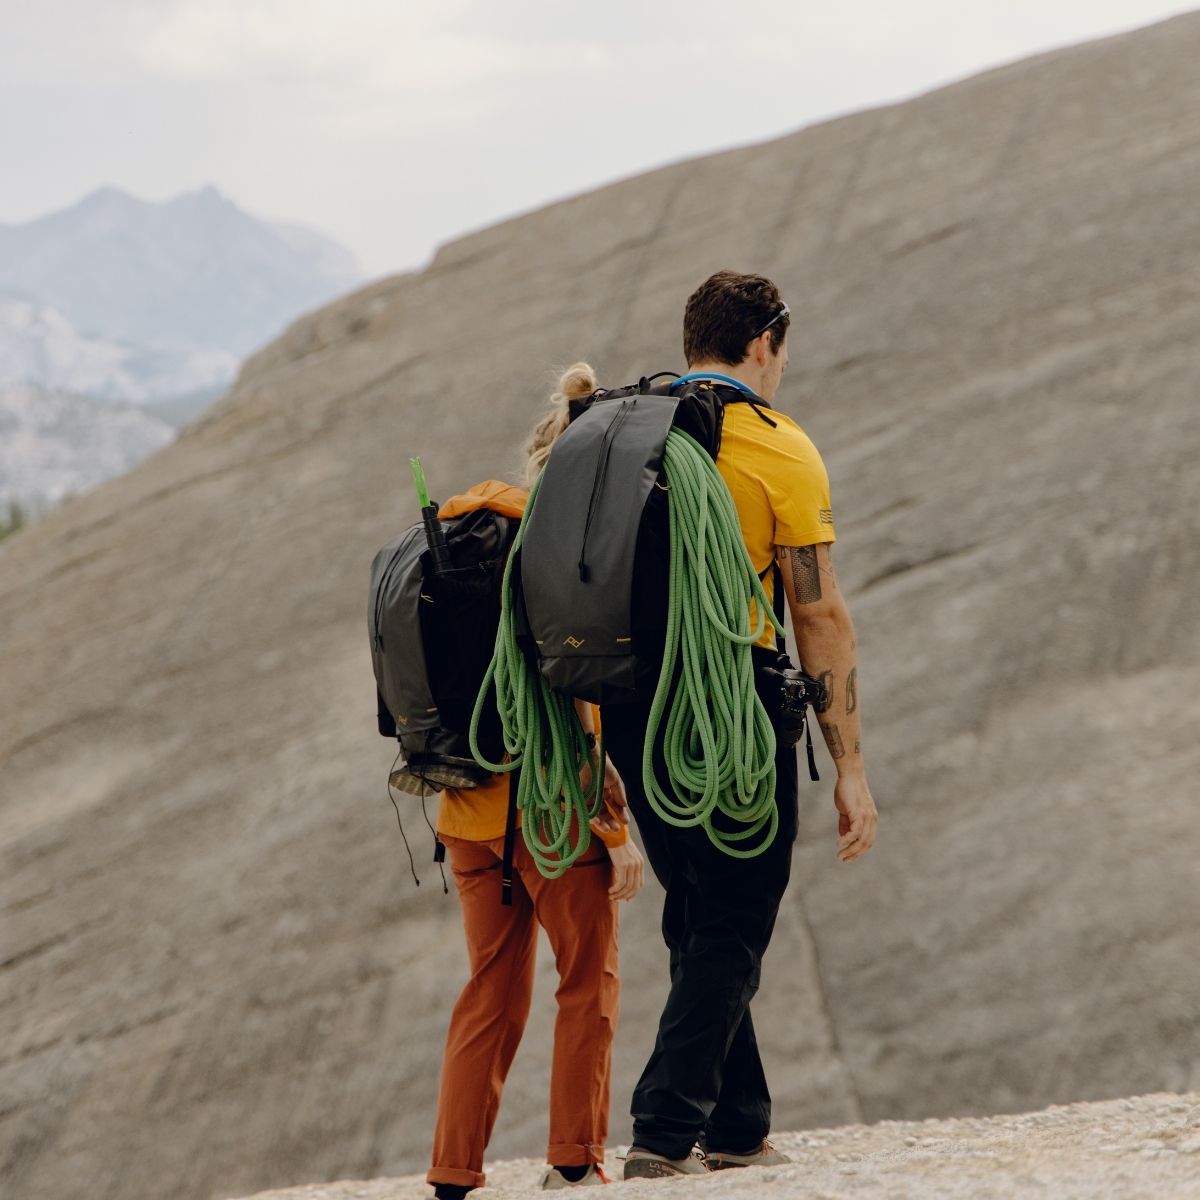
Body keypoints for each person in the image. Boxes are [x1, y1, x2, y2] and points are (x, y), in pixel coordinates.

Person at [599, 270, 879, 1180]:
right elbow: (819, 614)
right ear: (766, 342)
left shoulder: (615, 432)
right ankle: (664, 1123)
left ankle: (738, 1125)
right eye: (783, 349)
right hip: (731, 706)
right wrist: (849, 767)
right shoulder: (774, 444)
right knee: (736, 912)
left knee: (699, 910)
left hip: (636, 713)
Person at [426, 368, 646, 1199]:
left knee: (489, 989)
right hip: (551, 814)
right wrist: (614, 831)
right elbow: (571, 709)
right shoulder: (549, 557)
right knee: (587, 981)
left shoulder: (460, 537)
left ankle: (452, 1172)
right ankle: (571, 1161)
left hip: (466, 814)